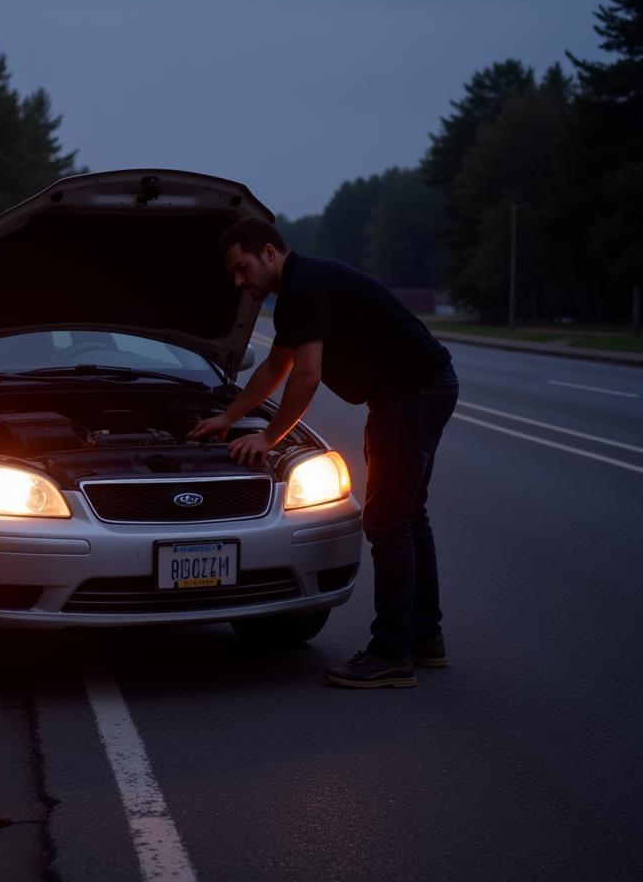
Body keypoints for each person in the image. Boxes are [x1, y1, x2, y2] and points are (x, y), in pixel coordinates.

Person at [188, 217, 459, 689]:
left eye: (242, 268)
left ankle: (391, 653)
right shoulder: (300, 287)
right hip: (415, 390)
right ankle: (425, 639)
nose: (239, 281)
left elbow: (306, 375)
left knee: (388, 522)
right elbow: (277, 364)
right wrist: (229, 417)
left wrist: (268, 438)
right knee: (409, 516)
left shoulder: (306, 284)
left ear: (269, 253)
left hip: (412, 394)